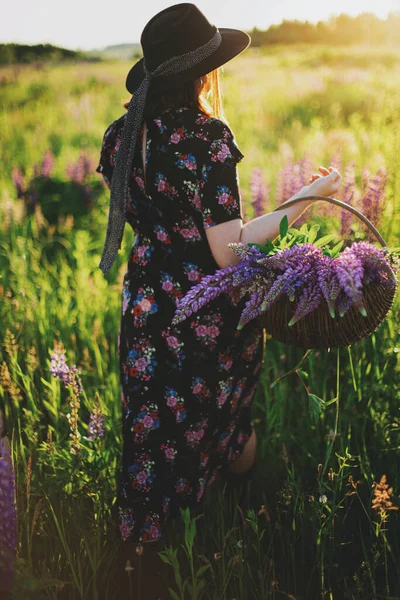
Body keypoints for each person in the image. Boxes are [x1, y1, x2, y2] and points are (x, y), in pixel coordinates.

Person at [96, 3, 342, 597]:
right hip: (202, 310)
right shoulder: (205, 138)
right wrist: (302, 199)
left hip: (148, 300)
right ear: (203, 73)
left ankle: (139, 551)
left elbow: (152, 219)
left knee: (152, 432)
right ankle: (241, 523)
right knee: (224, 414)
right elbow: (227, 252)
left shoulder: (123, 133)